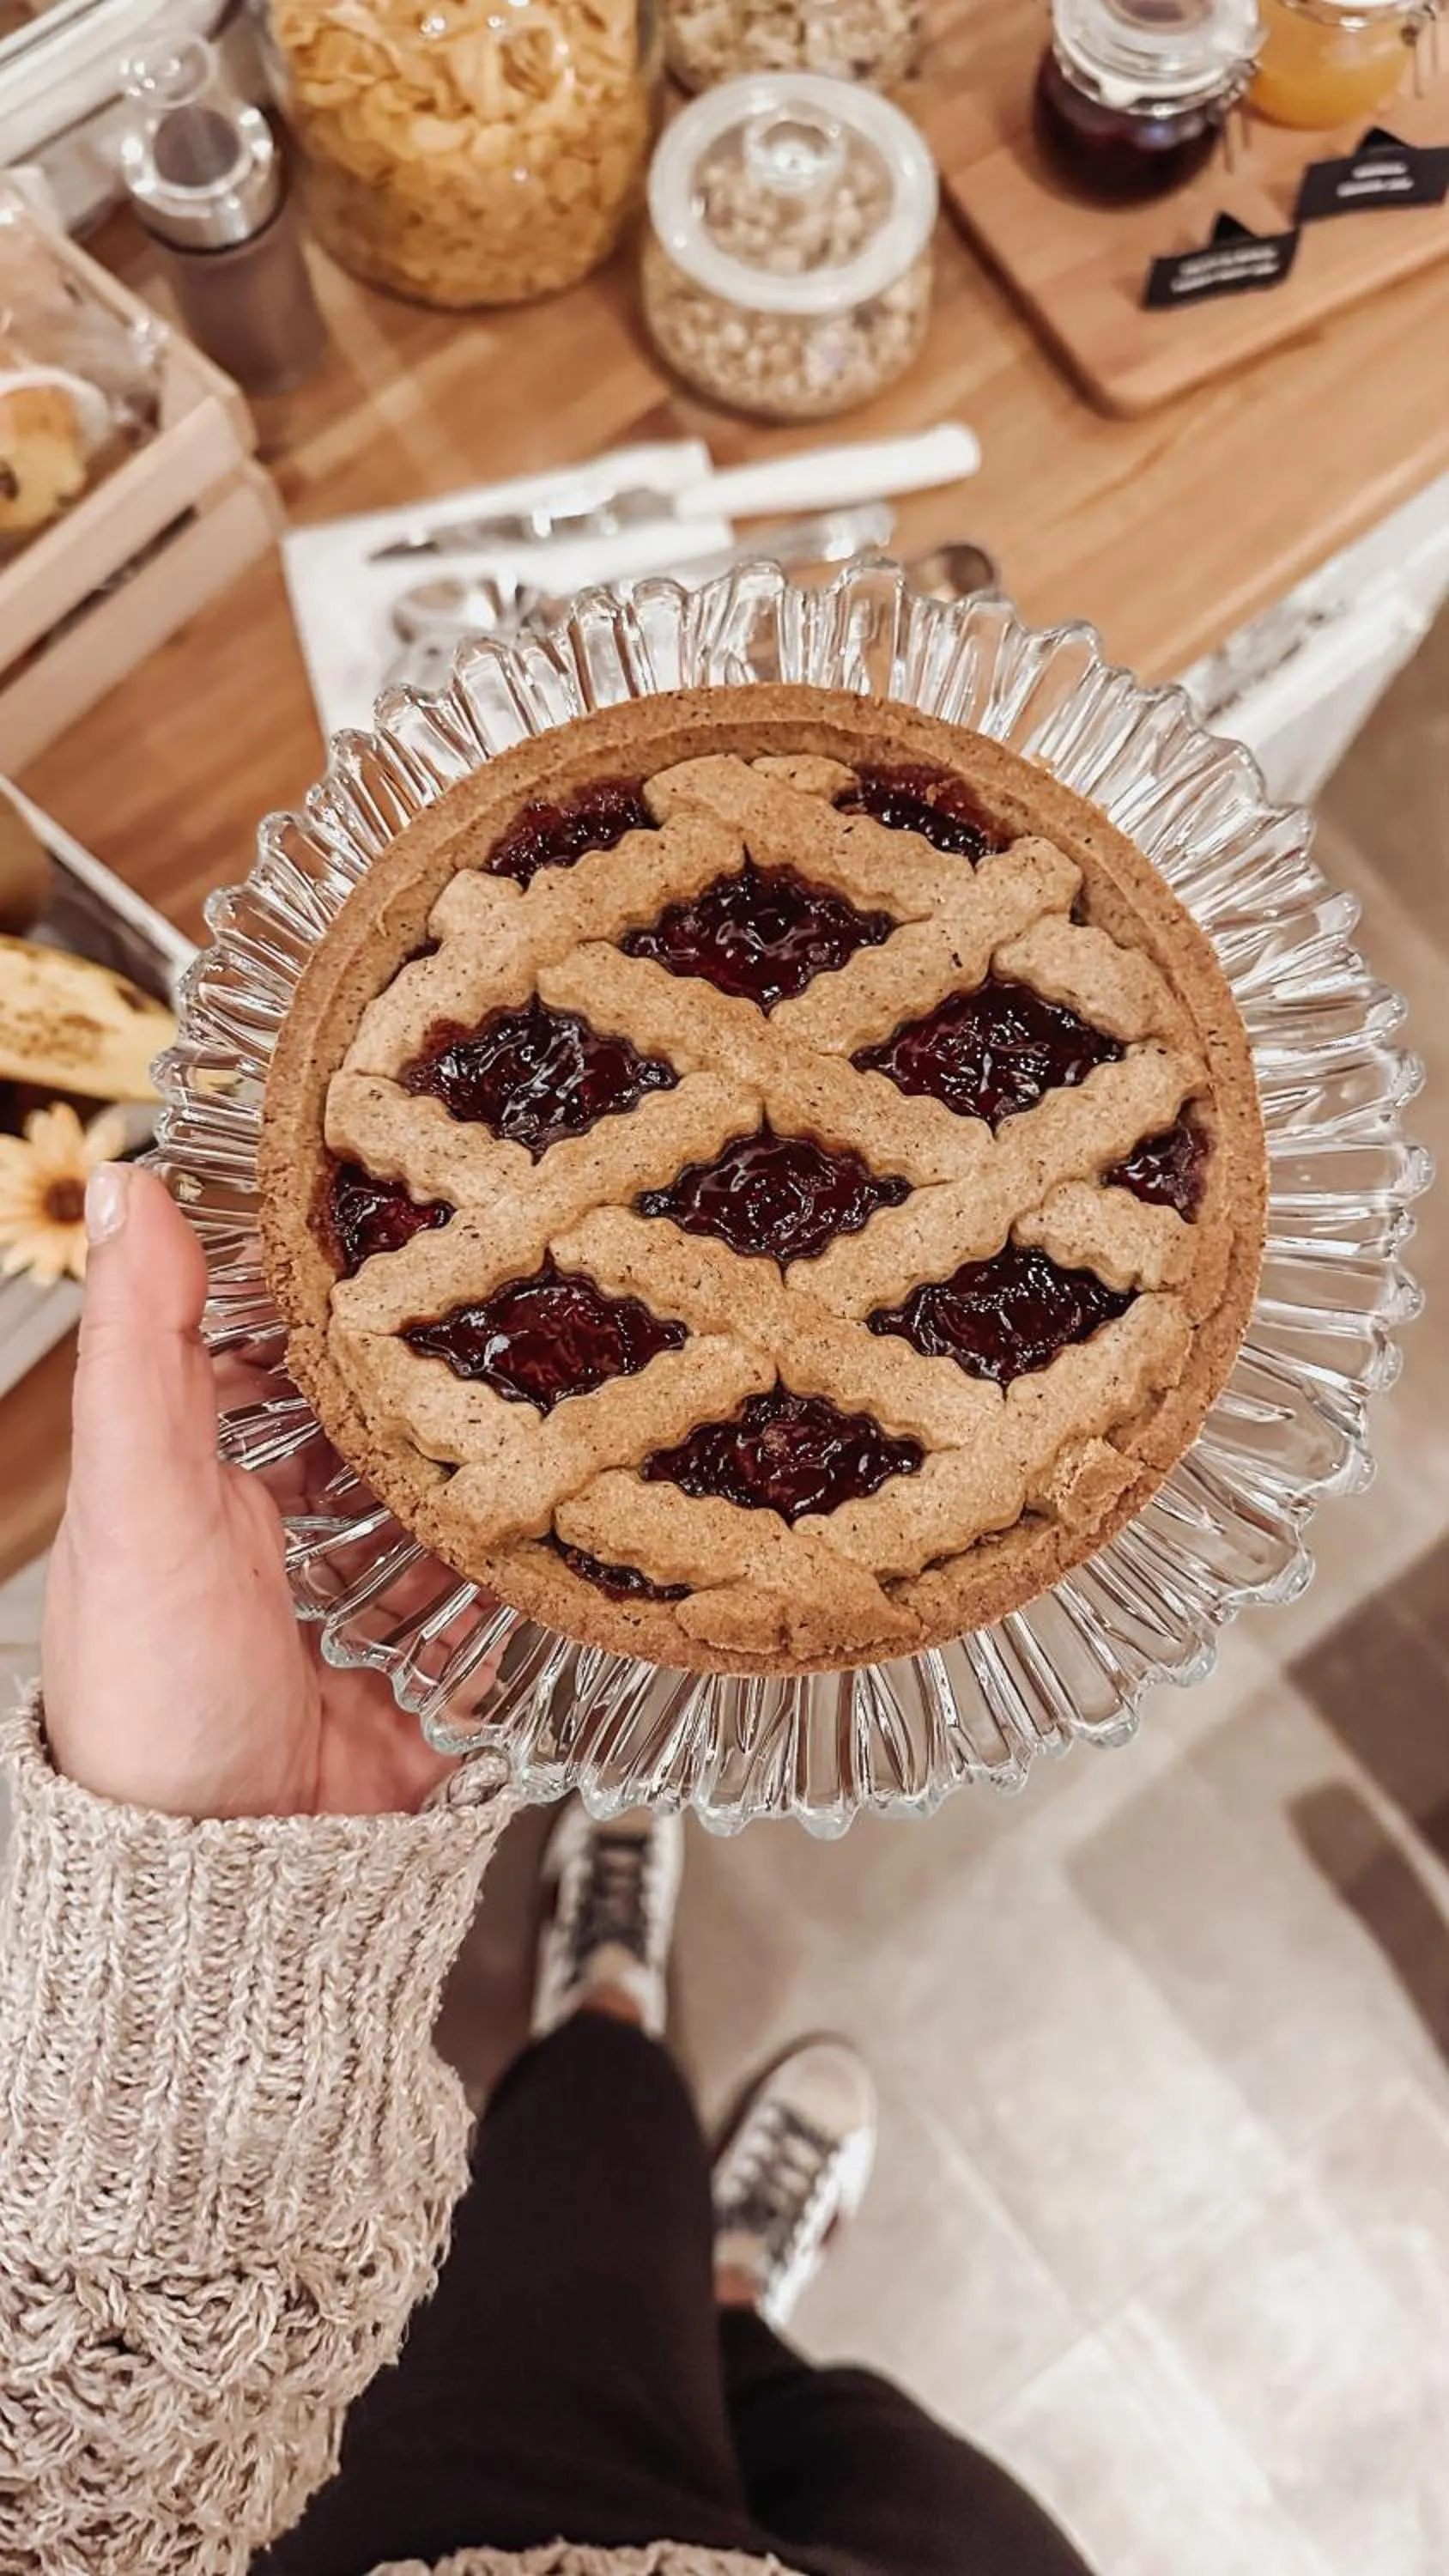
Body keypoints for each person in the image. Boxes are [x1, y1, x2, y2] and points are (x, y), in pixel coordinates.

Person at [1, 1165, 1094, 2576]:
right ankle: (735, 2297)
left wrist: (224, 1910)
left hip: (456, 2507)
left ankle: (611, 2015)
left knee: (597, 2150)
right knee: (870, 2441)